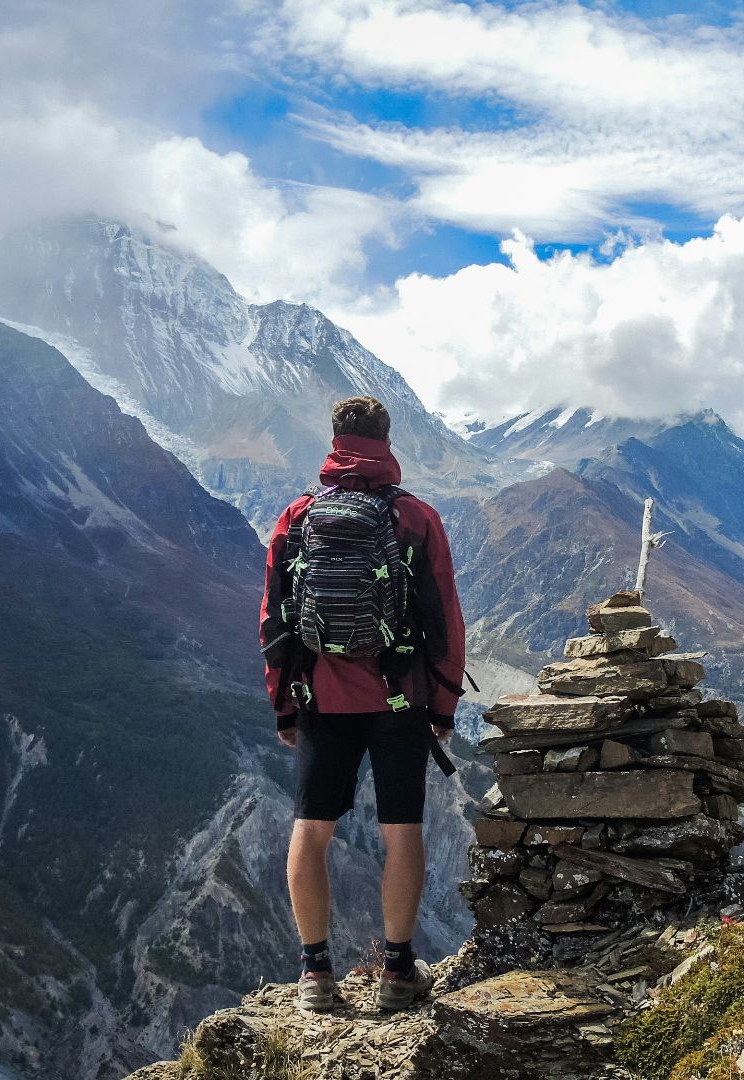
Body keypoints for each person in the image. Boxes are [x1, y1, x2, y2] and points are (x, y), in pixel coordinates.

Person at [259, 396, 467, 1013]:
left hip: (321, 696)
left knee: (312, 829)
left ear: (334, 440)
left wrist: (284, 705)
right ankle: (398, 971)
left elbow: (273, 620)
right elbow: (445, 619)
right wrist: (444, 705)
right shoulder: (416, 519)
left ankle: (316, 974)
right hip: (400, 698)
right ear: (387, 440)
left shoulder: (297, 518)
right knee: (402, 831)